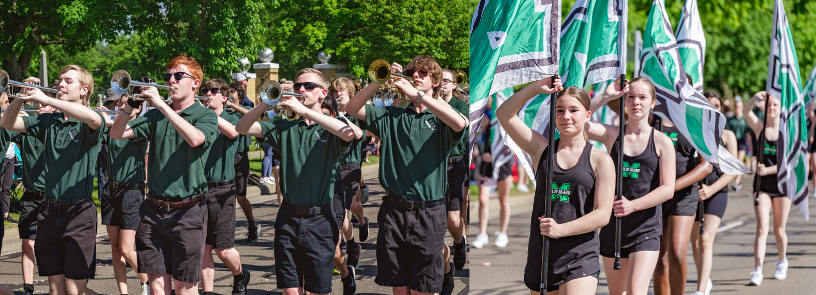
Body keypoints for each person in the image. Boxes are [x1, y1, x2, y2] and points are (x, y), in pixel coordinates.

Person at [345, 55, 467, 295]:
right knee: (400, 289)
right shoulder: (392, 114)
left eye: (423, 73)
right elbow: (351, 108)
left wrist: (418, 96)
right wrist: (378, 81)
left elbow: (460, 124)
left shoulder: (441, 115)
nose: (415, 76)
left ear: (436, 82)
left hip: (429, 212)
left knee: (422, 289)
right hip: (393, 211)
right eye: (413, 72)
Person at [236, 68, 355, 295]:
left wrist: (304, 110)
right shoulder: (285, 127)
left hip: (320, 219)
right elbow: (242, 128)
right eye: (299, 86)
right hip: (288, 218)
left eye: (308, 86)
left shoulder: (331, 126)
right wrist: (266, 101)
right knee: (291, 291)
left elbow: (348, 134)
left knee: (317, 291)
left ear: (322, 93)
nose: (301, 90)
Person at [109, 54, 218, 295]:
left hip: (188, 212)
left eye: (179, 76)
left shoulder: (206, 115)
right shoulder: (156, 115)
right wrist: (130, 105)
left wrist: (161, 106)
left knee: (185, 288)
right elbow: (117, 134)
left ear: (195, 82)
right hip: (153, 210)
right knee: (157, 287)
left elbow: (196, 139)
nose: (171, 81)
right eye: (168, 76)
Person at [498, 78, 615, 295]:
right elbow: (504, 114)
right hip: (542, 254)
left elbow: (602, 215)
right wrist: (535, 88)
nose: (566, 116)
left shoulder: (601, 160)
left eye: (573, 110)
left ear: (587, 115)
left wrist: (561, 230)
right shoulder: (540, 149)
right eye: (560, 110)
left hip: (580, 255)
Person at [1, 65, 106, 295]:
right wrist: (20, 96)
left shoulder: (90, 119)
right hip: (48, 210)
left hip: (78, 211)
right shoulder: (49, 121)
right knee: (55, 288)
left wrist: (46, 98)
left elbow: (93, 118)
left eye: (68, 81)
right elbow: (8, 123)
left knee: (74, 288)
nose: (61, 84)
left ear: (84, 89)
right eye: (60, 80)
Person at [587, 77, 676, 295]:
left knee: (636, 291)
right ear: (624, 101)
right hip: (613, 228)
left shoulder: (662, 141)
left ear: (653, 102)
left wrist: (634, 205)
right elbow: (575, 120)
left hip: (645, 228)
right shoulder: (612, 134)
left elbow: (667, 188)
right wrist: (606, 96)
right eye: (631, 96)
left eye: (643, 97)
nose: (636, 102)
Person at [653, 78, 713, 295]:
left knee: (677, 253)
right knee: (659, 258)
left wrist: (672, 186)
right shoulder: (653, 116)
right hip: (655, 194)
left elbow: (706, 167)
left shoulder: (693, 119)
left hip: (684, 194)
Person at [197, 78, 251, 295]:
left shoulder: (232, 117)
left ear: (224, 97)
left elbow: (233, 133)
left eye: (213, 91)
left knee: (223, 248)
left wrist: (209, 114)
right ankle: (208, 292)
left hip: (222, 190)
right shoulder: (199, 118)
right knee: (203, 247)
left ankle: (240, 274)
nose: (208, 94)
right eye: (205, 91)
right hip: (199, 188)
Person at [100, 94, 151, 295]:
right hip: (110, 189)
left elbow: (122, 131)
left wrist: (111, 121)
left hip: (132, 190)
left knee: (126, 249)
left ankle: (147, 282)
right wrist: (101, 120)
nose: (122, 107)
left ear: (137, 109)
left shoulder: (141, 126)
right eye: (120, 104)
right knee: (115, 249)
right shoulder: (112, 127)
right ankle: (123, 292)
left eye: (127, 105)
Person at [690, 92, 739, 295]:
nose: (712, 108)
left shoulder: (728, 136)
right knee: (694, 242)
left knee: (706, 239)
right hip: (695, 192)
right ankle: (705, 275)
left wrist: (711, 189)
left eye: (716, 105)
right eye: (707, 104)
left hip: (716, 191)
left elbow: (733, 169)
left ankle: (701, 290)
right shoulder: (692, 132)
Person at [743, 91, 791, 286]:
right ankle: (757, 269)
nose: (772, 108)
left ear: (781, 109)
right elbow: (746, 111)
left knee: (779, 230)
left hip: (781, 185)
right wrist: (755, 98)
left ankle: (782, 261)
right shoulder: (759, 127)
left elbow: (788, 164)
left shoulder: (787, 131)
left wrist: (768, 169)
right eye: (770, 105)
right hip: (761, 186)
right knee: (762, 227)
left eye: (776, 106)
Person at [9, 100, 55, 295]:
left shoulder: (54, 128)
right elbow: (7, 123)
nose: (39, 107)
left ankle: (57, 285)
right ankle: (28, 287)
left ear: (53, 107)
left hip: (52, 197)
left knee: (51, 243)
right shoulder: (26, 128)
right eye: (36, 104)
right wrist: (18, 100)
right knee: (27, 241)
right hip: (31, 195)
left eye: (43, 104)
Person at [328, 77, 369, 273]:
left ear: (350, 92)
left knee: (346, 211)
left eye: (342, 90)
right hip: (333, 167)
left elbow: (359, 134)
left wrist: (342, 116)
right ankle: (344, 246)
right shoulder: (328, 111)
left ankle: (348, 245)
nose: (339, 94)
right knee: (338, 215)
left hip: (351, 167)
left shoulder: (356, 113)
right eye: (335, 91)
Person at [472, 95, 513, 250]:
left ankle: (503, 233)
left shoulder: (508, 114)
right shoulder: (486, 114)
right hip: (487, 163)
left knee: (503, 200)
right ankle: (482, 234)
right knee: (483, 199)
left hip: (503, 161)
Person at [439, 69, 469, 274]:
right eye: (438, 80)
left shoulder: (459, 105)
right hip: (435, 163)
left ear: (453, 85)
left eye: (446, 81)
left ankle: (459, 242)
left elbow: (458, 122)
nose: (441, 84)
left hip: (456, 162)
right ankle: (441, 261)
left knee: (453, 219)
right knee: (437, 217)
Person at [225, 82, 259, 242]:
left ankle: (252, 224)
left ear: (239, 94)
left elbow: (251, 115)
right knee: (226, 196)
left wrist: (232, 104)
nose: (230, 94)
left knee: (241, 196)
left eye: (232, 92)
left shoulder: (243, 111)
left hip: (240, 156)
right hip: (225, 156)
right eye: (228, 92)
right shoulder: (224, 112)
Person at [725, 99, 750, 191]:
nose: (738, 108)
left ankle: (736, 182)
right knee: (734, 162)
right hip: (733, 143)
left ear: (742, 108)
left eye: (739, 106)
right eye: (736, 106)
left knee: (739, 162)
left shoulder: (745, 120)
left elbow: (748, 132)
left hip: (742, 142)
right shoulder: (731, 120)